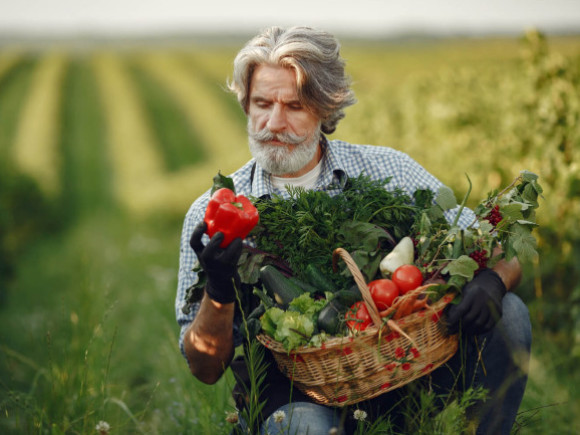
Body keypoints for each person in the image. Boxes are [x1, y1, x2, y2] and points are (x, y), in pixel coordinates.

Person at [175, 26, 531, 434]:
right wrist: (218, 292)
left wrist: (493, 280)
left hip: (404, 373)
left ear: (325, 109)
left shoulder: (388, 172)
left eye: (294, 106)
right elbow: (204, 367)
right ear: (246, 106)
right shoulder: (212, 211)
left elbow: (504, 253)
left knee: (510, 313)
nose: (274, 122)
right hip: (293, 398)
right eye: (261, 104)